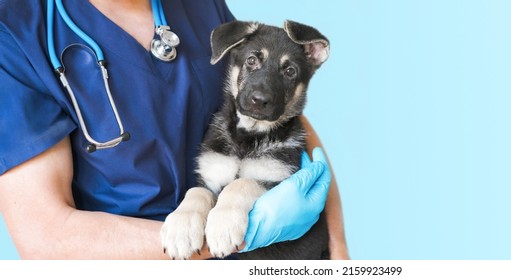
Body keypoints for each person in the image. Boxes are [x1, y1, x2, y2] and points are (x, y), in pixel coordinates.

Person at [0, 0, 349, 259]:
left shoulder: (199, 6)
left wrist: (339, 255)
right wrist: (226, 235)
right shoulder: (16, 33)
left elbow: (278, 114)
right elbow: (45, 239)